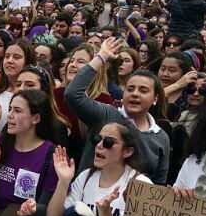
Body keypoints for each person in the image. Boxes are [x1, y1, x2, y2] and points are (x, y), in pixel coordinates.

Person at [68, 37, 171, 183]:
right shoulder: (106, 115)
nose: (135, 94)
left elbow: (159, 184)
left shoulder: (161, 138)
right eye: (130, 89)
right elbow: (72, 94)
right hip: (88, 195)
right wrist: (101, 57)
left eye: (143, 90)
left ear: (155, 98)